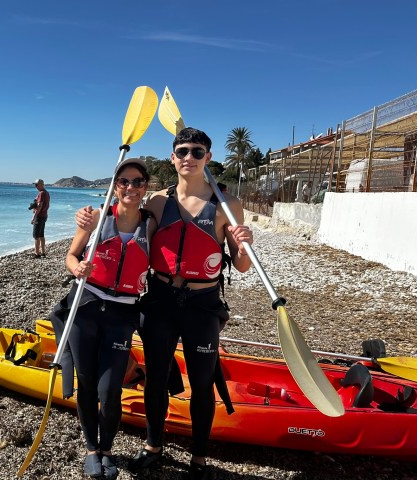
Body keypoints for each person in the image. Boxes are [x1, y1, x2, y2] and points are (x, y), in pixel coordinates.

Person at [76, 127, 253, 480]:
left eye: (197, 152)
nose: (189, 157)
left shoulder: (228, 205)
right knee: (156, 378)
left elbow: (243, 264)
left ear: (208, 157)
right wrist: (88, 220)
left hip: (203, 302)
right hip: (159, 300)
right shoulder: (157, 201)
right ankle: (154, 446)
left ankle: (199, 459)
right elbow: (125, 223)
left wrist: (244, 243)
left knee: (202, 383)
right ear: (173, 158)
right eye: (182, 151)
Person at [50, 158, 156, 479]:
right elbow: (70, 256)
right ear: (114, 186)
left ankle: (107, 447)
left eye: (137, 182)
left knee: (110, 389)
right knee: (87, 383)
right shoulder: (95, 218)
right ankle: (92, 449)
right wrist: (76, 267)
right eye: (123, 182)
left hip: (122, 313)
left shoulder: (151, 224)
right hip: (87, 306)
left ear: (145, 187)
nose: (130, 187)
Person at [31, 179, 50, 257]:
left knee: (36, 236)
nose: (35, 186)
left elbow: (39, 206)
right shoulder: (46, 193)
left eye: (36, 185)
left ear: (41, 185)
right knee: (41, 235)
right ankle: (43, 252)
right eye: (35, 185)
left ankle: (37, 253)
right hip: (44, 215)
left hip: (39, 216)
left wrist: (34, 217)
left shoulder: (41, 193)